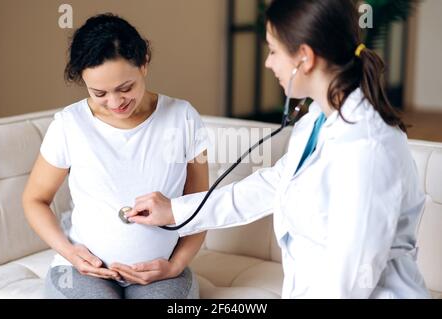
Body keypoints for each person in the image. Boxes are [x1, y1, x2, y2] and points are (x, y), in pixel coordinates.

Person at [126, 0, 430, 299]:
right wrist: (176, 210)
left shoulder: (367, 149)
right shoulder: (316, 122)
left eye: (273, 50)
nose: (268, 62)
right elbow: (270, 185)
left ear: (304, 58)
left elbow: (346, 282)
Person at [22, 13, 209, 299]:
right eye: (99, 93)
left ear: (144, 63)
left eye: (125, 88)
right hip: (81, 272)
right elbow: (35, 199)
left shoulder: (183, 118)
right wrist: (70, 253)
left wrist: (175, 266)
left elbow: (200, 207)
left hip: (158, 275)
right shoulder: (69, 125)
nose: (115, 102)